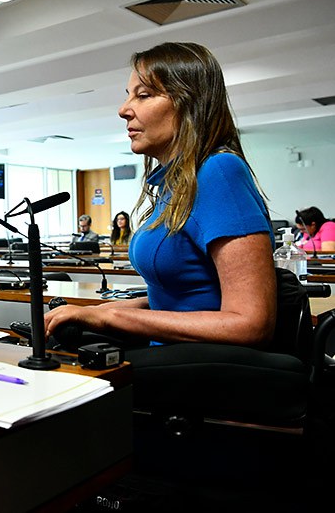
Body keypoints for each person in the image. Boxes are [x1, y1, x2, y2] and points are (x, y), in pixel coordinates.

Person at [45, 42, 275, 347]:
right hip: (172, 358)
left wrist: (112, 317)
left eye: (143, 95)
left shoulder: (219, 172)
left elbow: (250, 324)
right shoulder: (174, 185)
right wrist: (98, 311)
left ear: (188, 103)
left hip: (205, 369)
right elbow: (178, 302)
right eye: (128, 96)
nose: (124, 109)